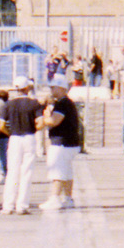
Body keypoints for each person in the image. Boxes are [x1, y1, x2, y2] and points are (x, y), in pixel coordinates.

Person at [36, 74, 79, 209]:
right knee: (66, 170)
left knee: (57, 169)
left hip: (61, 142)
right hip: (70, 142)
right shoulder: (67, 103)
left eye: (53, 87)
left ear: (61, 88)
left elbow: (54, 121)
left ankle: (54, 198)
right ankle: (68, 198)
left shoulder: (62, 103)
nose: (51, 90)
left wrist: (43, 119)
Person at [0, 75, 41, 214]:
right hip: (29, 136)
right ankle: (22, 205)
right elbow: (40, 123)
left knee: (12, 171)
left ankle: (8, 205)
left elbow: (1, 125)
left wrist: (9, 133)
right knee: (26, 172)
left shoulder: (8, 105)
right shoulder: (34, 103)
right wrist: (34, 128)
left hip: (14, 137)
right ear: (27, 88)